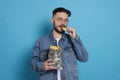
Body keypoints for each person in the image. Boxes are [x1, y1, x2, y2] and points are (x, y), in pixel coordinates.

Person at [31, 7, 88, 80]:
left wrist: (74, 38)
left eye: (66, 20)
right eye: (59, 19)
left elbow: (84, 58)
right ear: (52, 20)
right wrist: (42, 66)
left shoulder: (73, 39)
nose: (63, 23)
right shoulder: (40, 41)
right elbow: (33, 62)